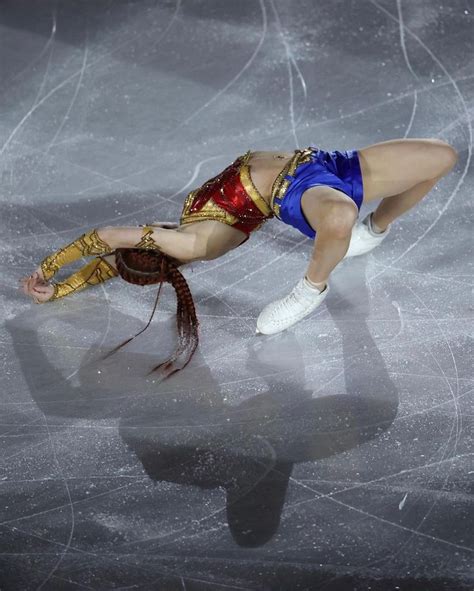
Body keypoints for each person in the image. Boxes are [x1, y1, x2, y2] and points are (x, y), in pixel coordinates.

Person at [20, 138, 458, 341]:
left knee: (441, 157)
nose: (145, 232)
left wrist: (61, 287)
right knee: (340, 214)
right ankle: (309, 291)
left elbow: (112, 260)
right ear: (153, 249)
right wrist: (50, 266)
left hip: (321, 162)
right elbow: (108, 237)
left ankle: (373, 230)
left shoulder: (185, 224)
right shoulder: (195, 244)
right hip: (296, 192)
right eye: (145, 238)